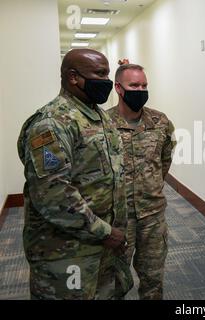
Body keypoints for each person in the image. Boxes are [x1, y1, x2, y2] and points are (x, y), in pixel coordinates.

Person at [17, 49, 132, 299]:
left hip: (102, 246)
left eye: (108, 74)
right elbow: (53, 194)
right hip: (66, 251)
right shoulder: (51, 123)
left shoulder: (97, 116)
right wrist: (104, 231)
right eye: (100, 74)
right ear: (73, 77)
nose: (107, 82)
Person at [107, 63, 176, 300]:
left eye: (144, 85)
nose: (140, 90)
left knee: (153, 280)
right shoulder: (103, 124)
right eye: (134, 85)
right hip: (118, 218)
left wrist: (151, 184)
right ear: (118, 88)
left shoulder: (160, 121)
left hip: (153, 216)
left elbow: (164, 160)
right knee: (114, 281)